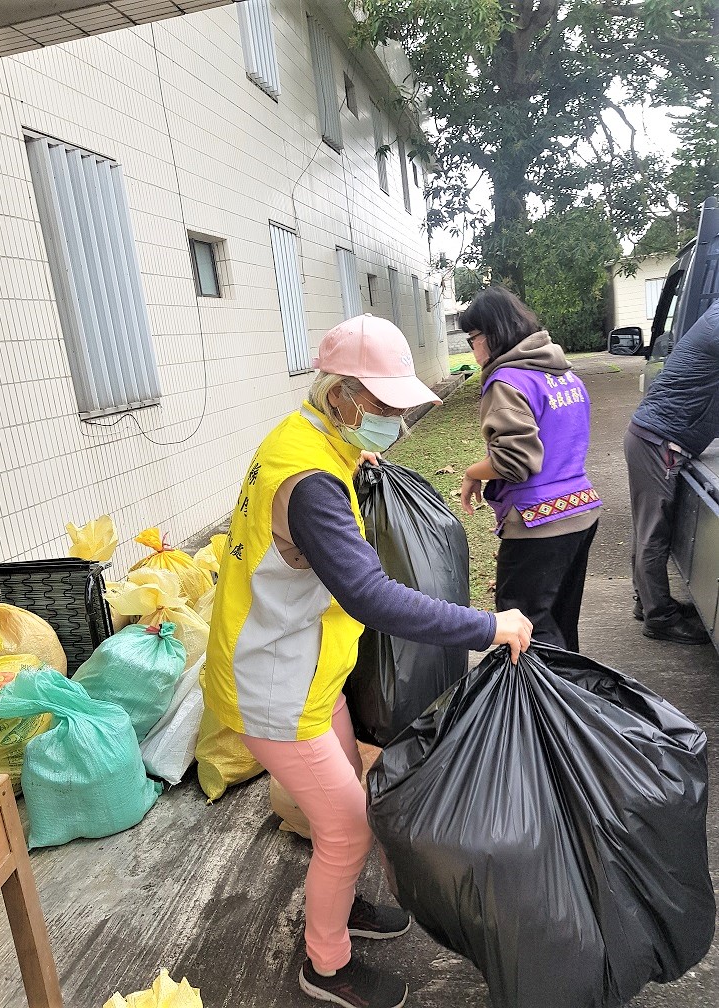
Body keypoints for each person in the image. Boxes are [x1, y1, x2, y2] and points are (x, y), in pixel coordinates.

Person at [204, 313, 533, 1008]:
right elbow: (374, 596)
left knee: (351, 808)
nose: (394, 420)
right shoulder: (315, 483)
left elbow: (318, 491)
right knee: (348, 827)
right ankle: (326, 965)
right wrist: (486, 624)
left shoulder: (309, 439)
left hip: (303, 668)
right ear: (342, 396)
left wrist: (358, 455)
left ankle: (340, 903)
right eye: (382, 407)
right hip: (276, 686)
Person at [458, 286, 601, 652]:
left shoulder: (507, 382)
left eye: (471, 338)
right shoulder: (564, 375)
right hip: (582, 512)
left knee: (522, 628)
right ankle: (572, 700)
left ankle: (542, 708)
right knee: (560, 621)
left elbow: (515, 461)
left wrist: (474, 472)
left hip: (540, 522)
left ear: (491, 336)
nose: (471, 348)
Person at [624, 298, 719, 644]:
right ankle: (659, 618)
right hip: (659, 441)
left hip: (651, 437)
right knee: (653, 532)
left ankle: (647, 602)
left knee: (646, 528)